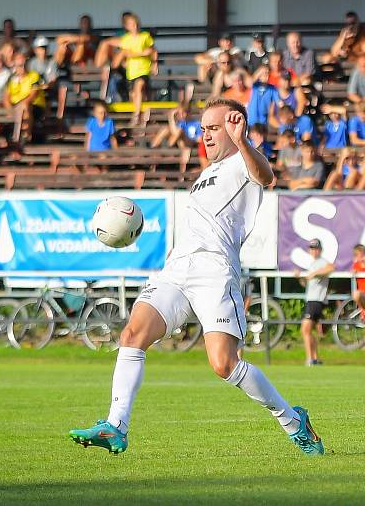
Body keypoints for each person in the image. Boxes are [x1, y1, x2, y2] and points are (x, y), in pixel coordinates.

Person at [69, 97, 325, 456]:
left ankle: (292, 420)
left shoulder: (241, 162)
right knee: (132, 334)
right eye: (203, 129)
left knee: (223, 363)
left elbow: (267, 177)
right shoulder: (204, 176)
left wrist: (242, 141)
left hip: (215, 271)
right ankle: (116, 425)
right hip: (177, 270)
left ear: (235, 127)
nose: (205, 135)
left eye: (214, 128)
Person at [294, 238, 334, 366]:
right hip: (311, 300)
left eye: (316, 248)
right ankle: (315, 358)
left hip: (316, 300)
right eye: (312, 248)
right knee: (309, 331)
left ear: (320, 250)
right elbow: (306, 282)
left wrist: (314, 274)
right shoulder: (313, 264)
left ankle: (310, 358)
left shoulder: (321, 262)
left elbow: (330, 267)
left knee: (305, 330)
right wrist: (301, 277)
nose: (314, 251)